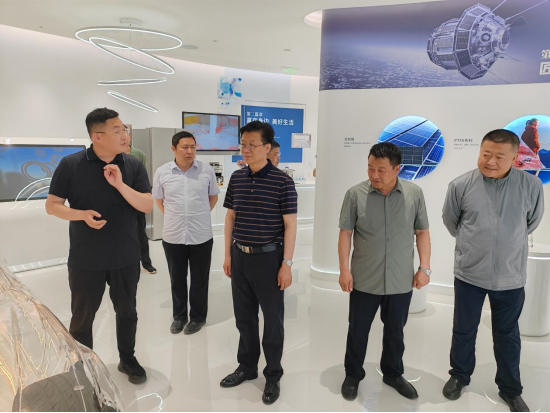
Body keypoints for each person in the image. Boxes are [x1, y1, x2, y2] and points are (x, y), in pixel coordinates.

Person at [46, 108, 154, 385]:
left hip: (126, 255)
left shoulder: (133, 165)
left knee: (127, 312)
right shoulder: (71, 164)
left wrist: (120, 185)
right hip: (86, 257)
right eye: (117, 130)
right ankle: (83, 366)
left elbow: (146, 204)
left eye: (124, 129)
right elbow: (53, 205)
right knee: (82, 317)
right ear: (97, 136)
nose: (124, 135)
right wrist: (81, 214)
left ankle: (127, 359)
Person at [442, 129, 545, 413]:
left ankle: (510, 389)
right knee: (463, 330)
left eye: (499, 156)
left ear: (514, 157)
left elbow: (531, 222)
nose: (490, 161)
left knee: (507, 334)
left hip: (510, 277)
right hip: (469, 274)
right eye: (485, 154)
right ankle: (459, 376)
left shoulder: (531, 186)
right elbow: (451, 221)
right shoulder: (460, 185)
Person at [338, 142, 432, 402]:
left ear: (397, 169)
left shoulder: (414, 193)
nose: (374, 175)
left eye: (381, 170)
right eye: (370, 168)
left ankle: (392, 374)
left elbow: (422, 232)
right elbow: (345, 234)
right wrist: (344, 270)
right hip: (364, 278)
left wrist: (424, 267)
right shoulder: (355, 194)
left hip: (400, 278)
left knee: (395, 331)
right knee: (358, 330)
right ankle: (353, 375)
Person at [220, 121, 298, 405]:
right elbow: (230, 217)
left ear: (267, 147)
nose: (246, 149)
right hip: (240, 256)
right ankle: (247, 366)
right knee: (244, 317)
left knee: (273, 320)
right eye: (243, 144)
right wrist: (228, 255)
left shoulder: (282, 181)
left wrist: (286, 264)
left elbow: (290, 225)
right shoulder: (237, 178)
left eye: (252, 144)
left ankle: (273, 375)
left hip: (269, 258)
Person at [152, 131, 220, 336]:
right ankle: (179, 316)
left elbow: (213, 197)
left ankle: (198, 317)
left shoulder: (206, 170)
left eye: (193, 147)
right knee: (177, 279)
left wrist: (198, 215)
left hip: (201, 235)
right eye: (185, 147)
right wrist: (175, 216)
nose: (190, 151)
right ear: (173, 149)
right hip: (173, 235)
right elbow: (158, 200)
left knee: (200, 279)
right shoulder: (162, 172)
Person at [124, 131, 157, 275]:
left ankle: (146, 262)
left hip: (138, 198)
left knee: (141, 233)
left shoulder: (138, 154)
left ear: (129, 136)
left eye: (125, 133)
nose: (122, 136)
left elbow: (143, 177)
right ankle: (127, 263)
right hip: (121, 199)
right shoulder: (113, 154)